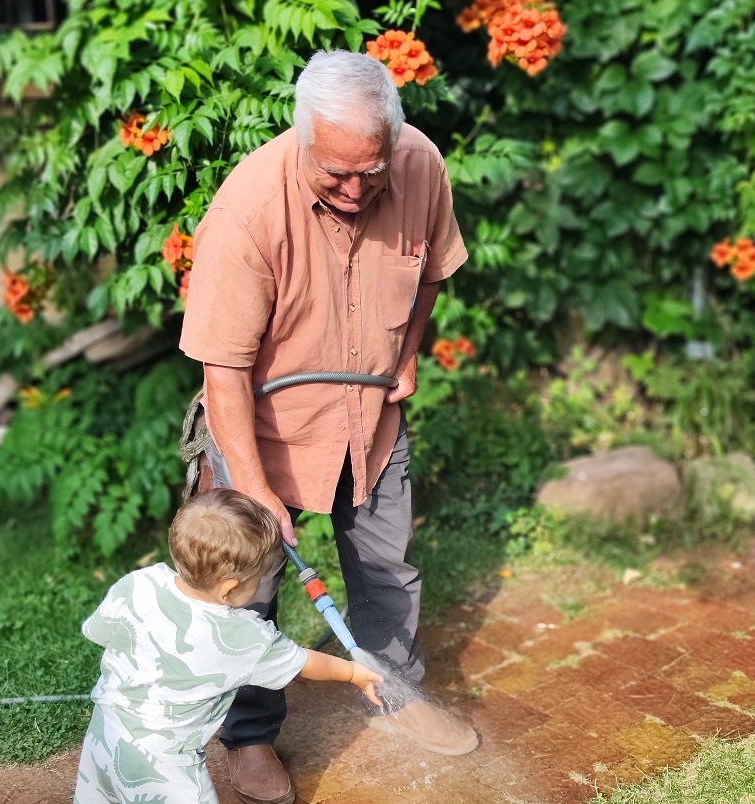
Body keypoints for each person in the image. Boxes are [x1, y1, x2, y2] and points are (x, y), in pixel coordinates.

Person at [179, 49, 478, 804]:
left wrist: (408, 354)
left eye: (370, 171)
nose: (354, 189)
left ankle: (396, 692)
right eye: (335, 173)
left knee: (388, 569)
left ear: (392, 142)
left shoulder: (419, 165)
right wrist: (254, 489)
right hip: (262, 424)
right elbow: (222, 371)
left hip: (371, 415)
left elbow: (431, 270)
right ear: (303, 138)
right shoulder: (247, 212)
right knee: (245, 591)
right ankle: (248, 737)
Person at [74, 488, 382, 804]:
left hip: (104, 736)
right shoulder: (241, 635)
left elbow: (99, 632)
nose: (260, 585)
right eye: (258, 579)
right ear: (229, 589)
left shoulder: (140, 582)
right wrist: (354, 673)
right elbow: (304, 663)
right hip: (164, 768)